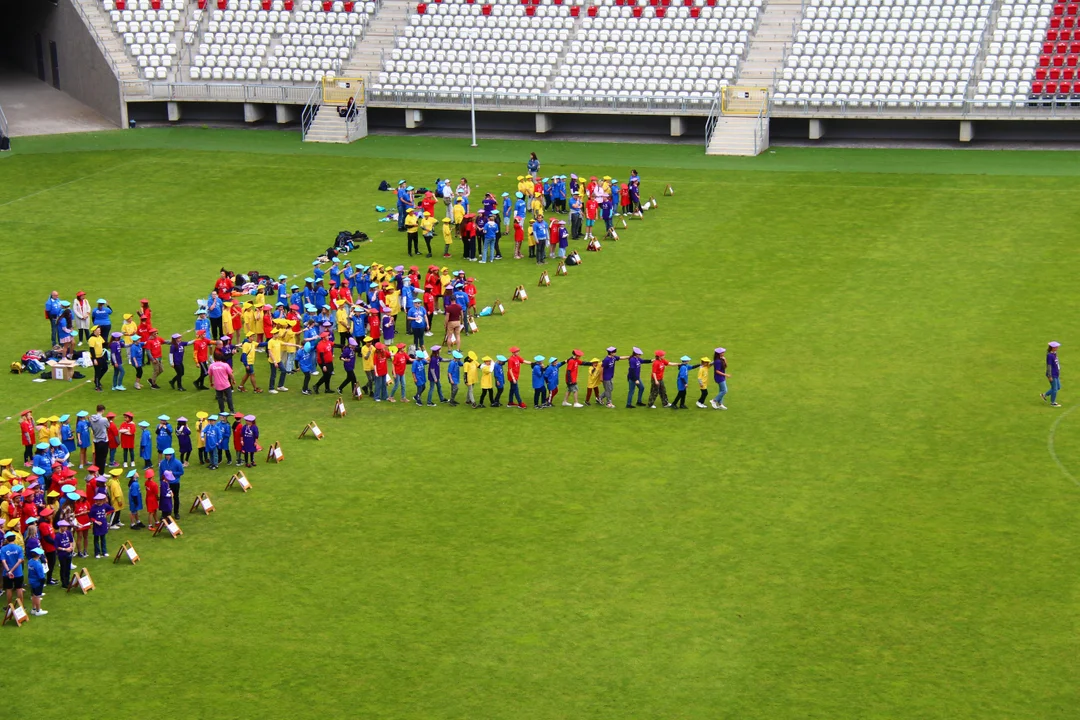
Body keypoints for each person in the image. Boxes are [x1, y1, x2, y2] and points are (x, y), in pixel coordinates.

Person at [1, 530, 24, 607]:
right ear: (14, 538)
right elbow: (20, 561)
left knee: (9, 589)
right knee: (19, 588)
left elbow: (3, 561)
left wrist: (9, 571)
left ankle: (9, 606)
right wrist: (12, 571)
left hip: (7, 573)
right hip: (18, 572)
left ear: (6, 539)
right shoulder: (19, 548)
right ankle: (21, 606)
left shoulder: (3, 549)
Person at [89, 491, 113, 559]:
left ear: (103, 500)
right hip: (96, 526)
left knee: (103, 539)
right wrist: (96, 521)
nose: (98, 501)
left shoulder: (105, 505)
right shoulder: (93, 507)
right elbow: (91, 517)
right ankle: (97, 553)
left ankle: (104, 552)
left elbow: (112, 509)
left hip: (103, 525)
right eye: (97, 500)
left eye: (100, 500)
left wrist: (106, 513)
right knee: (96, 539)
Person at [159, 447, 184, 512]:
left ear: (172, 455)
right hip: (166, 484)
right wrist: (161, 482)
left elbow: (181, 472)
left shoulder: (178, 463)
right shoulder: (162, 463)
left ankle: (176, 512)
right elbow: (161, 473)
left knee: (176, 497)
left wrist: (173, 473)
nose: (167, 456)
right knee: (165, 498)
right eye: (166, 455)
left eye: (168, 455)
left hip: (175, 483)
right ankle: (165, 513)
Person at [89, 405, 110, 471]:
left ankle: (97, 472)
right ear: (103, 410)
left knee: (97, 457)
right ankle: (101, 473)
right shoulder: (104, 419)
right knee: (103, 458)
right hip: (103, 440)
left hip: (96, 440)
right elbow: (108, 426)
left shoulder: (91, 419)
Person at [55, 519, 74, 589]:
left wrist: (71, 547)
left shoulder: (68, 533)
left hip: (69, 553)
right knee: (63, 568)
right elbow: (56, 547)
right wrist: (65, 549)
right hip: (62, 554)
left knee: (68, 568)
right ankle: (63, 583)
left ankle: (67, 581)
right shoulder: (57, 536)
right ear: (61, 527)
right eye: (64, 527)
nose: (66, 528)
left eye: (66, 526)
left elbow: (71, 541)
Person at [27, 547, 46, 616]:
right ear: (39, 555)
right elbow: (41, 576)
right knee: (37, 596)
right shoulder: (38, 564)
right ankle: (38, 611)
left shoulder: (30, 561)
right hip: (37, 582)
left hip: (31, 581)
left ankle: (34, 609)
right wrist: (43, 581)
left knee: (33, 595)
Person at [88, 326, 108, 392]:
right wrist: (94, 359)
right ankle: (97, 386)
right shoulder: (92, 339)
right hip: (95, 357)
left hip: (101, 356)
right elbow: (91, 349)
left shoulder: (99, 337)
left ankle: (97, 380)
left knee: (105, 367)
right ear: (94, 331)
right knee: (97, 371)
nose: (100, 331)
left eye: (100, 330)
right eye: (98, 330)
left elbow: (104, 344)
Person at [1043, 341, 1063, 407]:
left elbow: (1056, 363)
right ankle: (1053, 402)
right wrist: (1049, 376)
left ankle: (1044, 395)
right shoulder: (1050, 356)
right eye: (1056, 347)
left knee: (1058, 387)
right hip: (1052, 374)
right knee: (1054, 389)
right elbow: (1049, 366)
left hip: (1056, 373)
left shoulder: (1054, 353)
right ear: (1053, 347)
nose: (1057, 348)